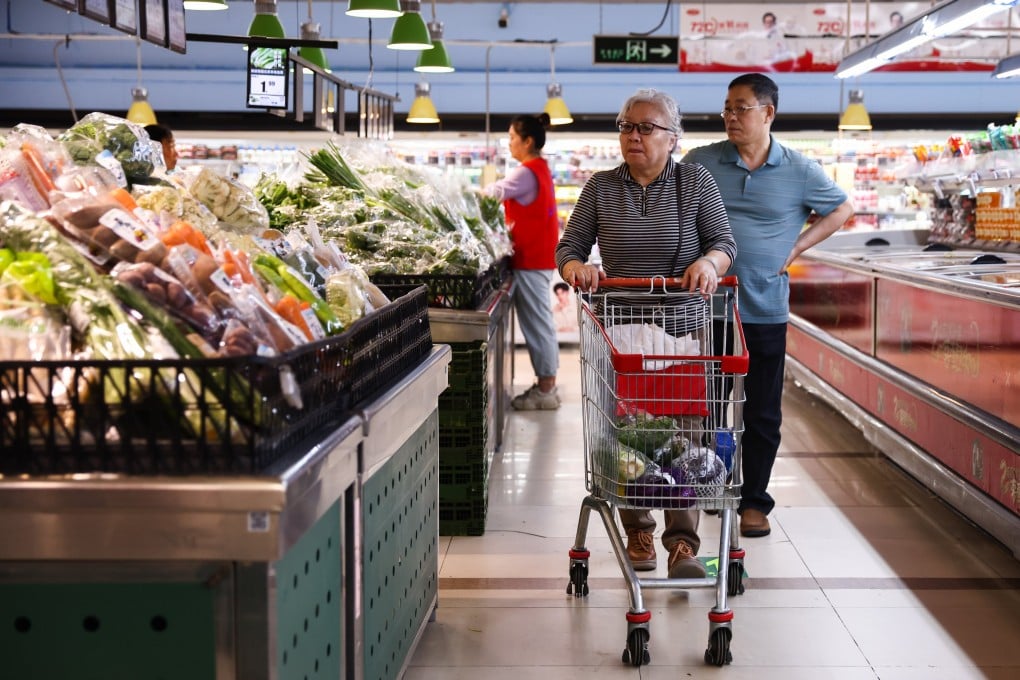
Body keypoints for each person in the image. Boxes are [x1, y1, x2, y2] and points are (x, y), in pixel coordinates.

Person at [556, 88, 736, 578]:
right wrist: (578, 267)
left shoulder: (696, 182)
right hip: (623, 334)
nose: (632, 135)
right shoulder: (599, 188)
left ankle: (683, 543)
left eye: (645, 127)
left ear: (672, 138)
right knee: (628, 434)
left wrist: (708, 261)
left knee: (684, 437)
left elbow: (723, 242)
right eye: (626, 126)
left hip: (681, 331)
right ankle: (638, 529)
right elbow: (569, 246)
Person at [682, 73, 854, 538]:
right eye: (727, 108)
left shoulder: (799, 169)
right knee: (712, 406)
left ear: (768, 113)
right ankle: (716, 483)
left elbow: (841, 208)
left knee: (761, 410)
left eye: (741, 108)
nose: (731, 117)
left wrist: (796, 249)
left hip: (766, 309)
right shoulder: (700, 163)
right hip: (708, 308)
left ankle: (754, 501)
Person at [484, 113, 561, 410]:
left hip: (532, 259)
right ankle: (546, 385)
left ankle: (546, 390)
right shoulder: (539, 168)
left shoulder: (527, 171)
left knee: (537, 323)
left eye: (513, 138)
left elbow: (494, 191)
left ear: (528, 141)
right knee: (539, 321)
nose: (509, 143)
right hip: (537, 258)